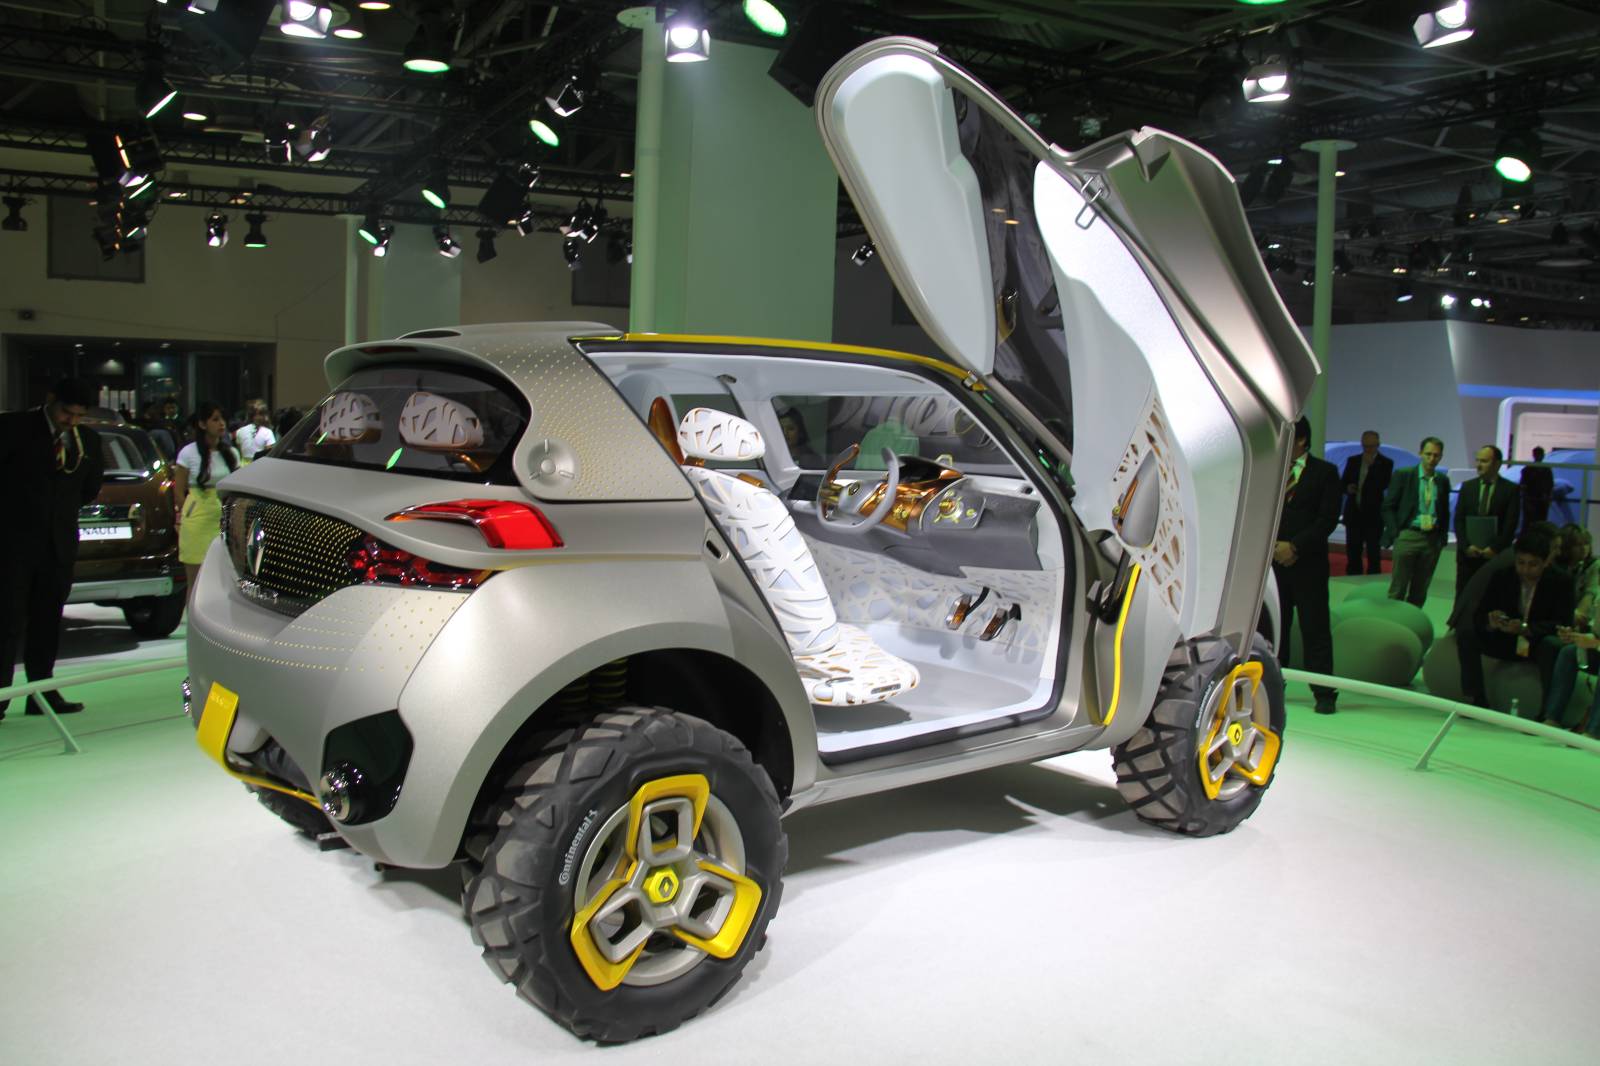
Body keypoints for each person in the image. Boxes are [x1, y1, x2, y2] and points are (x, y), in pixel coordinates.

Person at [0, 377, 105, 720]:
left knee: (47, 621)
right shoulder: (13, 428)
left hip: (58, 546)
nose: (70, 421)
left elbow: (89, 489)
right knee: (7, 621)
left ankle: (41, 693)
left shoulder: (88, 441)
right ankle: (1, 694)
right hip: (12, 545)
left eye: (78, 416)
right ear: (50, 400)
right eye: (66, 413)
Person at [1458, 529, 1573, 713]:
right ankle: (1475, 699)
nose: (1525, 570)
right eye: (1521, 562)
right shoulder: (1502, 576)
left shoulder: (1561, 581)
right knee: (1467, 634)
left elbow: (1564, 622)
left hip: (1537, 643)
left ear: (1546, 562)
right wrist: (1492, 622)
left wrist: (1527, 628)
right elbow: (1480, 615)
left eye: (1533, 564)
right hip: (1506, 639)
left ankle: (1547, 712)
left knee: (1551, 646)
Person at [1273, 416, 1342, 714]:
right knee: (1276, 629)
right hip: (1274, 564)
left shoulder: (1325, 473)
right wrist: (1274, 547)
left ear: (1301, 439)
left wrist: (1295, 546)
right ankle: (1273, 687)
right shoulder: (1273, 470)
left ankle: (1324, 692)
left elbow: (1327, 519)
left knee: (1315, 629)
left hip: (1308, 564)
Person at [174, 402, 239, 599]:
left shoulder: (231, 453)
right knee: (195, 582)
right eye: (215, 419)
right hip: (197, 518)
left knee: (224, 580)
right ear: (202, 424)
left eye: (223, 419)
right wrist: (182, 516)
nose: (222, 424)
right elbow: (178, 491)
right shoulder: (188, 453)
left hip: (224, 518)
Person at [1381, 436, 1450, 606]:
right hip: (1408, 535)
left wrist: (1442, 537)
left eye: (1436, 455)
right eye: (1428, 454)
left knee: (1420, 590)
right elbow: (1388, 506)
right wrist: (1396, 532)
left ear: (1441, 456)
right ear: (1420, 453)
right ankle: (1394, 621)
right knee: (1398, 587)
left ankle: (1413, 620)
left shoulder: (1442, 480)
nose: (1432, 459)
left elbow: (1444, 510)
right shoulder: (1404, 475)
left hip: (1432, 538)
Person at [1452, 445, 1519, 597]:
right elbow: (1459, 520)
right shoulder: (1468, 487)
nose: (1479, 465)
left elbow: (1510, 524)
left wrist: (1495, 549)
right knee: (1464, 597)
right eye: (1477, 460)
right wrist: (1466, 546)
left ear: (1497, 464)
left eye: (1484, 461)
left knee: (1491, 597)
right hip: (1468, 557)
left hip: (1495, 557)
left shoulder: (1510, 490)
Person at [1339, 430, 1393, 576]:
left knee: (1373, 552)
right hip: (1354, 513)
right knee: (1353, 551)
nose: (1368, 449)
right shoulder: (1353, 461)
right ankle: (1352, 579)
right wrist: (1348, 488)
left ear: (1378, 445)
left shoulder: (1386, 463)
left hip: (1373, 516)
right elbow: (1342, 483)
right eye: (1365, 446)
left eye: (1371, 446)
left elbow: (1383, 484)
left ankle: (1373, 580)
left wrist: (1371, 467)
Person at [1519, 446, 1555, 528]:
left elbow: (1550, 486)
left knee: (1540, 522)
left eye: (1540, 454)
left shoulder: (1546, 470)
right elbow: (1523, 486)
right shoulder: (1528, 470)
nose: (1539, 456)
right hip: (1531, 500)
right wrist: (1526, 500)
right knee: (1529, 522)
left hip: (1542, 501)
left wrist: (1548, 498)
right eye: (1538, 454)